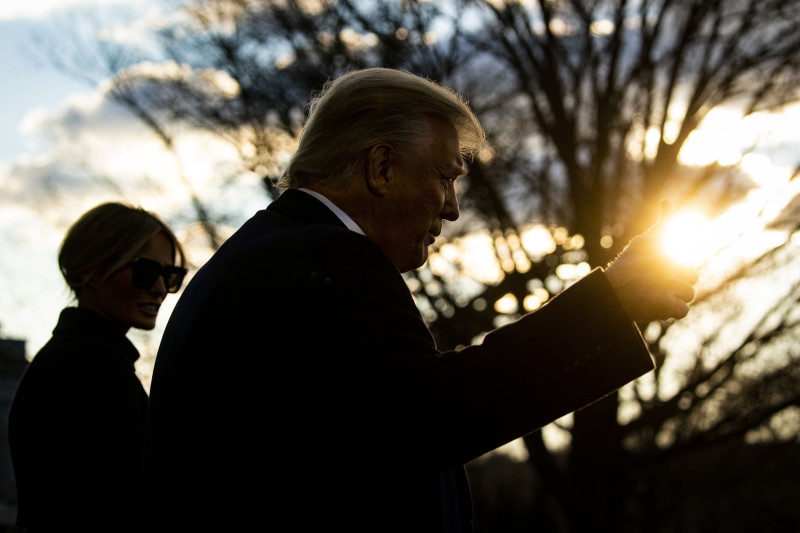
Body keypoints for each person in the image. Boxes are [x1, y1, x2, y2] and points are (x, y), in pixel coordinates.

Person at [138, 68, 696, 532]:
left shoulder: (270, 255)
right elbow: (429, 416)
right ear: (381, 167)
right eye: (446, 178)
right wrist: (612, 299)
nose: (453, 208)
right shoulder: (324, 257)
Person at [8, 202, 187, 532]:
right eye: (146, 271)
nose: (160, 288)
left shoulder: (74, 360)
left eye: (170, 275)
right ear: (90, 269)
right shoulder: (95, 371)